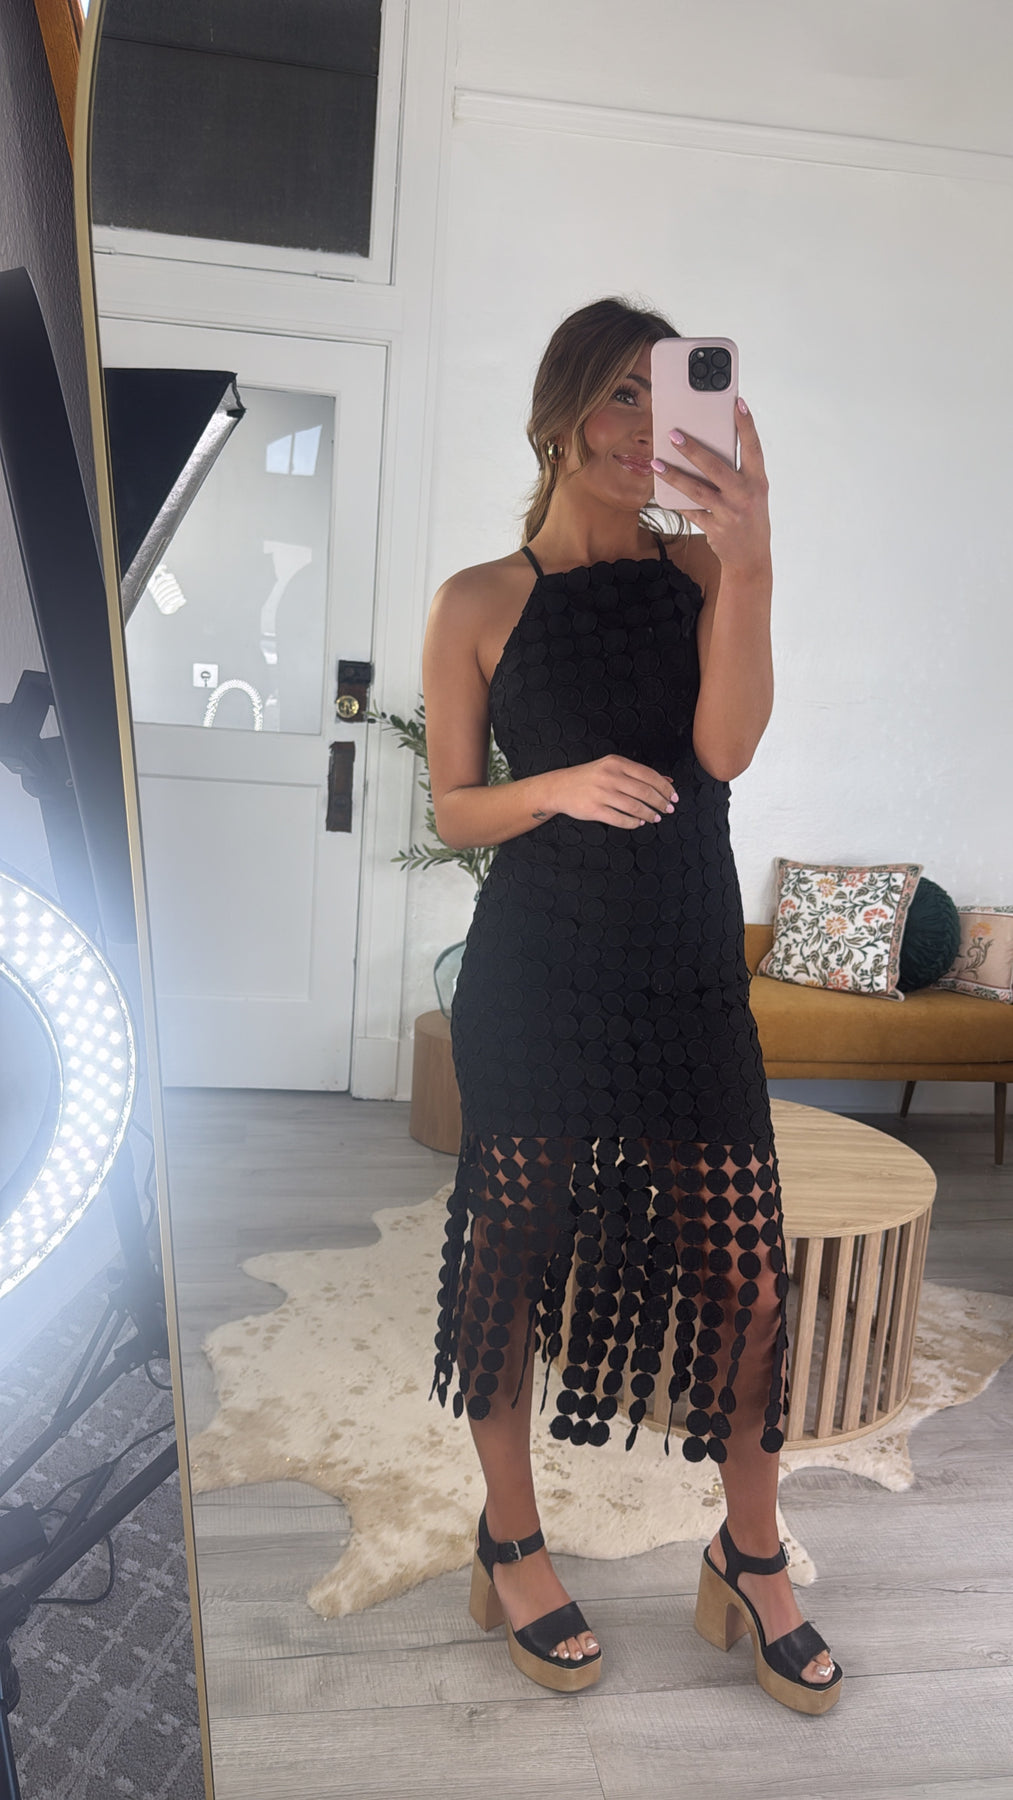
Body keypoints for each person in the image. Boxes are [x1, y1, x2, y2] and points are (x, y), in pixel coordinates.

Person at [423, 298, 841, 1713]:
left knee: (745, 1283)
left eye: (662, 402)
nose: (639, 430)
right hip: (538, 976)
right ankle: (511, 1536)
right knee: (508, 1263)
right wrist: (554, 787)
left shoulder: (700, 571)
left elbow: (725, 747)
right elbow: (454, 808)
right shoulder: (480, 601)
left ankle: (750, 1548)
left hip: (685, 976)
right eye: (615, 396)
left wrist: (751, 556)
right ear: (558, 413)